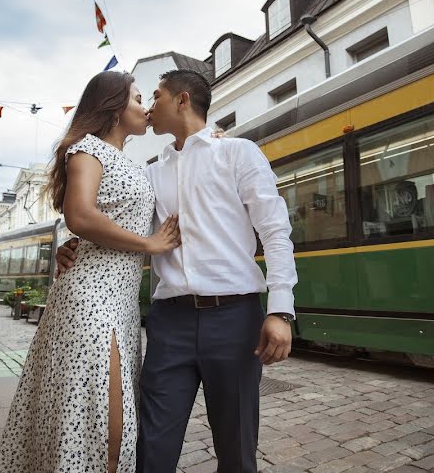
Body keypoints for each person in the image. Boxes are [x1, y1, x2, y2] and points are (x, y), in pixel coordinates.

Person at [57, 69, 298, 473]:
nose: (149, 107)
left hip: (235, 318)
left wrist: (280, 309)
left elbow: (275, 232)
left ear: (182, 100)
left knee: (237, 448)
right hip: (170, 324)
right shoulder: (148, 175)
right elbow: (117, 222)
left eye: (156, 96)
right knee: (152, 447)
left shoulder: (238, 153)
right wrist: (76, 246)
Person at [0, 71, 181, 473]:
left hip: (122, 303)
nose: (145, 107)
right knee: (104, 423)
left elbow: (101, 217)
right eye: (135, 99)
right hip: (90, 299)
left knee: (99, 420)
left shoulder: (129, 162)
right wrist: (149, 244)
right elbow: (80, 214)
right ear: (113, 108)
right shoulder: (87, 148)